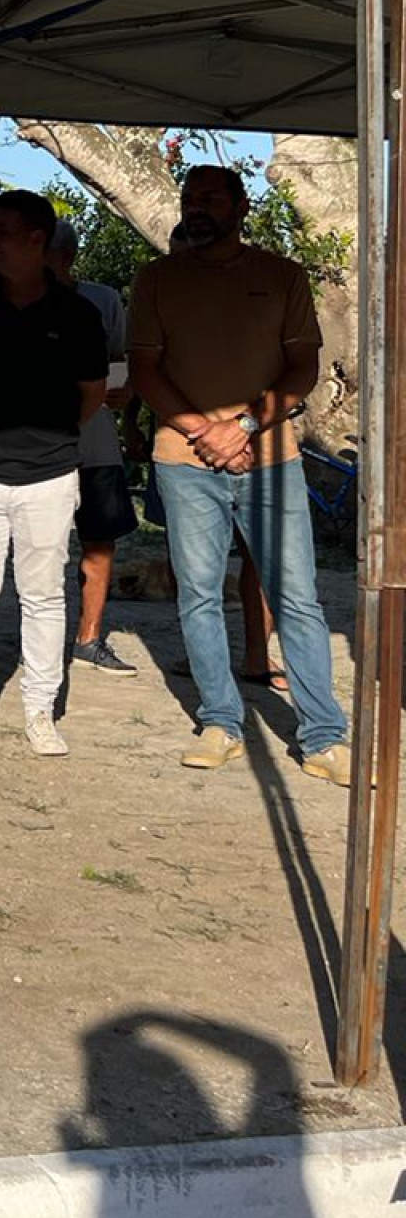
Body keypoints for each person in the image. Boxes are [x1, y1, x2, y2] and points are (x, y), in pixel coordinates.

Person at [126, 164, 352, 782]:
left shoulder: (282, 276)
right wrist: (206, 431)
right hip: (185, 462)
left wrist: (243, 428)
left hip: (271, 461)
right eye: (187, 198)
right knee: (199, 597)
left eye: (209, 198)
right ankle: (221, 721)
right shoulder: (157, 279)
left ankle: (323, 737)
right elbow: (146, 370)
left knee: (298, 599)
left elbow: (301, 368)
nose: (195, 208)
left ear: (240, 206)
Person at [0, 190, 108, 761]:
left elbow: (92, 394)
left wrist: (47, 440)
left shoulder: (78, 314)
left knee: (44, 598)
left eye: (2, 230)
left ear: (38, 241)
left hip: (50, 476)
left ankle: (40, 710)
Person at [49, 219, 139, 675]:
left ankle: (89, 636)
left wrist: (126, 402)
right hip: (40, 449)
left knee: (99, 542)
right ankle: (42, 641)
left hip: (98, 444)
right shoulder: (14, 303)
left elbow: (122, 361)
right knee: (40, 549)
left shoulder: (103, 299)